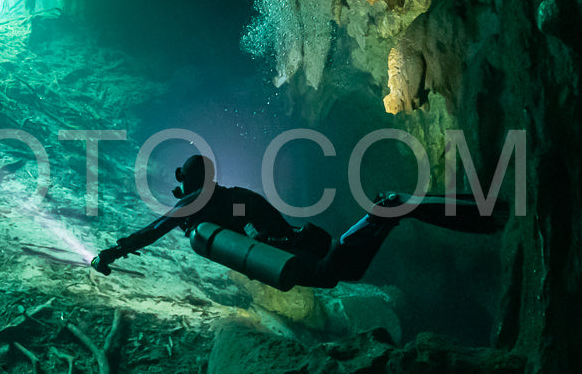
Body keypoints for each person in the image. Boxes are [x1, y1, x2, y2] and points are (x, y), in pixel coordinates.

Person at [90, 154, 505, 289]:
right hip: (295, 252)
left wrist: (112, 251)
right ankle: (484, 216)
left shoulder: (208, 203)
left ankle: (479, 214)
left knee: (379, 220)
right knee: (354, 259)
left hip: (294, 256)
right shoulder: (225, 200)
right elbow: (249, 219)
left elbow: (155, 229)